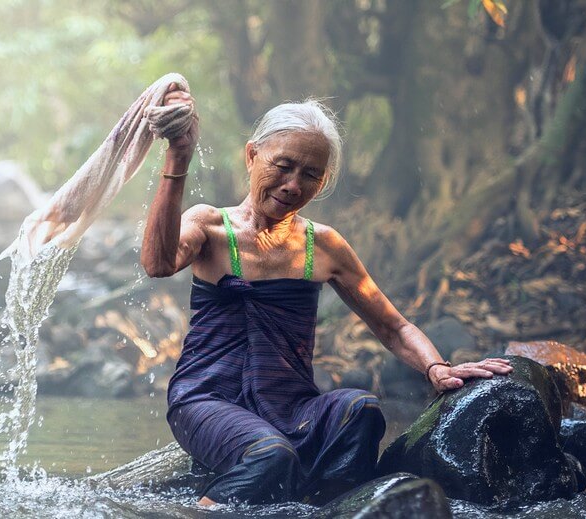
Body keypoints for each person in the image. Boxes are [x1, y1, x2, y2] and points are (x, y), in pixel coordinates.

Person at [140, 93, 513, 506]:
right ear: (252, 156)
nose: (293, 185)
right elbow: (157, 262)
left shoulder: (324, 245)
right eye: (282, 166)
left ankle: (335, 508)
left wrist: (437, 369)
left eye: (310, 175)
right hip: (206, 399)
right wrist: (178, 158)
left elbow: (393, 326)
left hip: (291, 405)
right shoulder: (210, 225)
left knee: (362, 410)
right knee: (269, 456)